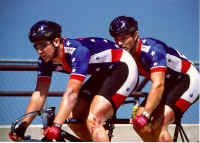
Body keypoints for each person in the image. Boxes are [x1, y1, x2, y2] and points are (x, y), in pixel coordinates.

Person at [8, 20, 139, 142]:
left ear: (56, 41)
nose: (39, 51)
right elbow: (39, 95)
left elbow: (71, 93)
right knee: (73, 119)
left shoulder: (77, 51)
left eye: (43, 45)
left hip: (123, 66)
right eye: (36, 46)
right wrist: (23, 126)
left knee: (94, 118)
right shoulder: (45, 60)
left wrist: (56, 125)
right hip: (104, 73)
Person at [109, 16, 200, 142]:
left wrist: (146, 114)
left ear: (135, 35)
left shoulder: (152, 50)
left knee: (159, 124)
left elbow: (158, 85)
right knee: (139, 125)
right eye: (116, 39)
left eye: (124, 38)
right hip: (169, 84)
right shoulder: (126, 55)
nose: (119, 43)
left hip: (188, 80)